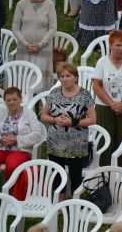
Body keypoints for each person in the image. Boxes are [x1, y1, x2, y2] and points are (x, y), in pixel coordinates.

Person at [41, 62, 96, 200]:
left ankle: (76, 203)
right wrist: (54, 120)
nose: (64, 79)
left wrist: (73, 122)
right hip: (55, 140)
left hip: (76, 141)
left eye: (68, 76)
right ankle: (61, 202)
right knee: (57, 172)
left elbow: (92, 119)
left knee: (75, 174)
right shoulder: (54, 93)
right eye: (61, 76)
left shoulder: (84, 95)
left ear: (76, 77)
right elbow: (43, 115)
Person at [92, 30, 122, 166]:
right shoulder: (102, 62)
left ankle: (121, 175)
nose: (120, 48)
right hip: (104, 107)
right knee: (105, 141)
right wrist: (112, 104)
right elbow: (96, 85)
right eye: (118, 45)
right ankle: (104, 175)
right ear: (111, 45)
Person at [0, 87, 42, 192]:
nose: (12, 102)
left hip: (19, 149)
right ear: (5, 101)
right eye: (8, 100)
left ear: (21, 99)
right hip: (0, 148)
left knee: (13, 166)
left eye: (15, 99)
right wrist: (0, 139)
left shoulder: (29, 114)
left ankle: (13, 194)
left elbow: (37, 134)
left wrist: (17, 140)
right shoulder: (0, 113)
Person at [12, 0, 57, 91]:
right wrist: (25, 43)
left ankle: (42, 104)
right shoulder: (21, 4)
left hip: (43, 49)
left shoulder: (49, 4)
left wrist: (40, 44)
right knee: (25, 79)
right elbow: (15, 27)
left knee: (41, 82)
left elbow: (53, 28)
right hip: (25, 48)